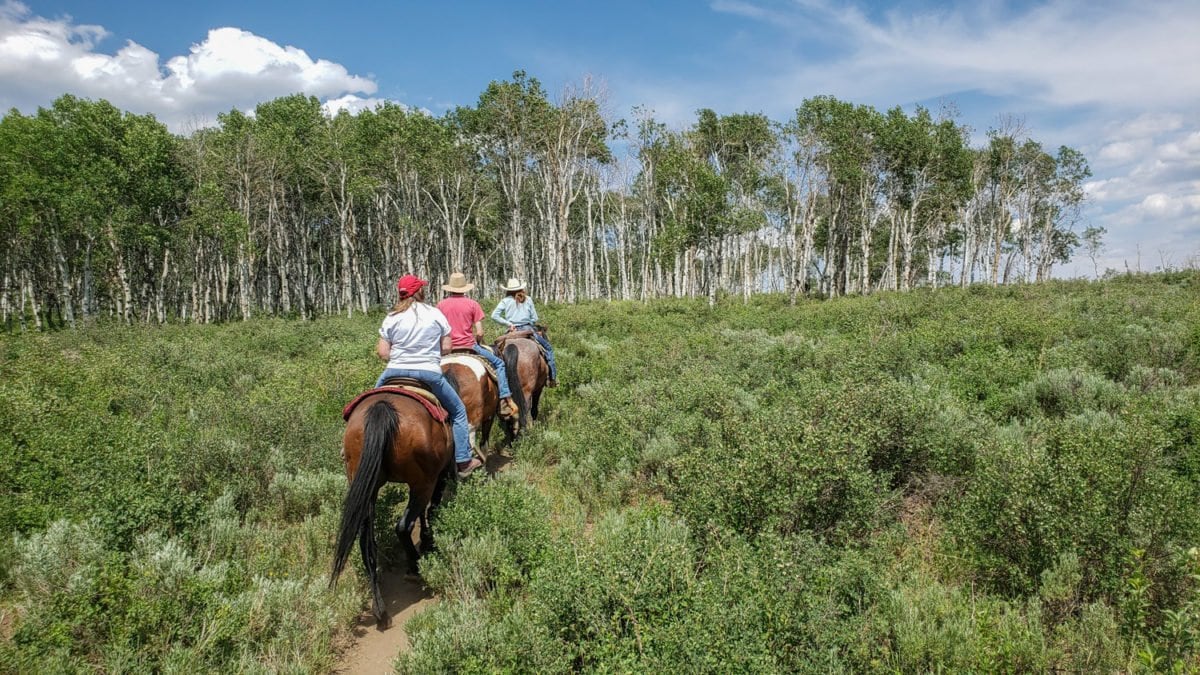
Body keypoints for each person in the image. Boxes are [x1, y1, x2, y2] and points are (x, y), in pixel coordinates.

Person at [375, 274, 481, 478]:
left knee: (367, 403)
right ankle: (463, 460)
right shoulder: (434, 314)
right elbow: (447, 347)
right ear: (419, 292)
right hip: (429, 374)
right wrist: (430, 354)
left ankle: (350, 449)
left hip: (393, 371)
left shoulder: (391, 317)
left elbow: (383, 353)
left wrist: (400, 356)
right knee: (459, 412)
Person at [436, 272, 517, 418]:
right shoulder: (473, 304)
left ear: (450, 288)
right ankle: (504, 400)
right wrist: (478, 341)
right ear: (465, 288)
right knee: (499, 364)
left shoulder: (440, 305)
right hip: (469, 347)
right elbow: (479, 332)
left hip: (446, 350)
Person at [490, 277, 557, 386]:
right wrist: (528, 321)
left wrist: (509, 324)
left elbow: (494, 316)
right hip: (527, 329)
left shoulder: (505, 301)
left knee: (496, 351)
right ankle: (552, 378)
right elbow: (535, 318)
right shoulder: (528, 299)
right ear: (521, 289)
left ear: (508, 290)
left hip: (512, 331)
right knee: (548, 348)